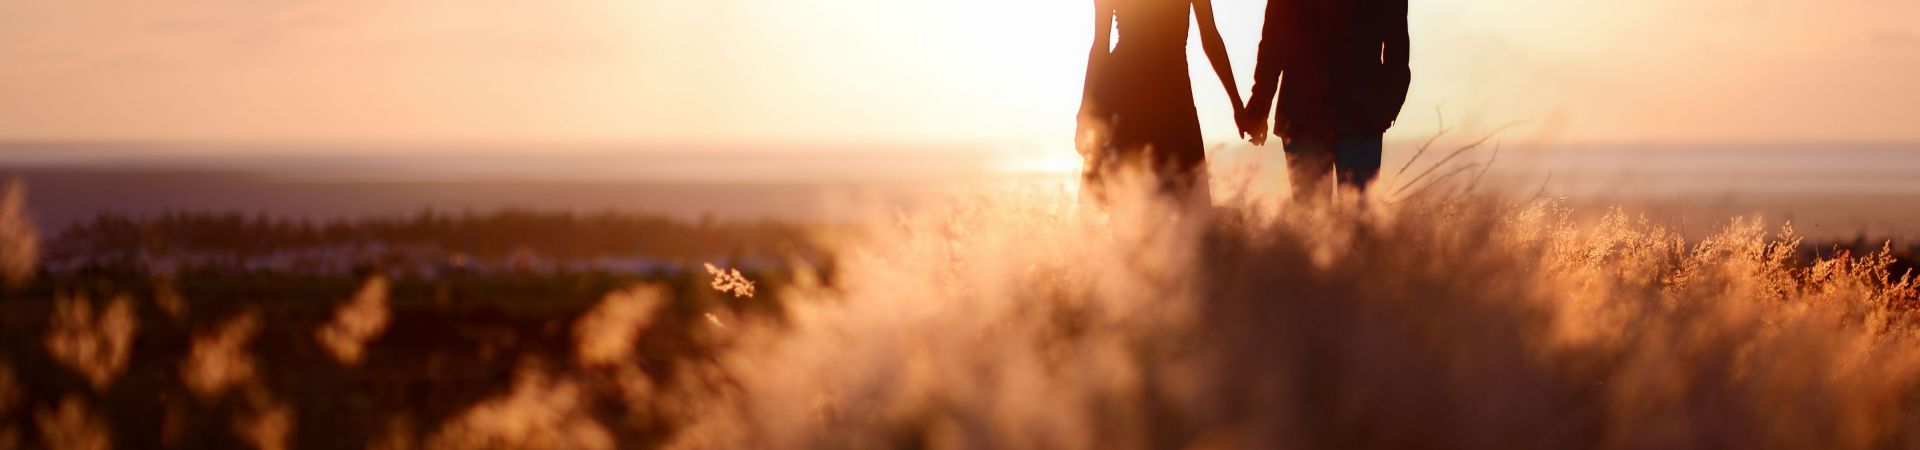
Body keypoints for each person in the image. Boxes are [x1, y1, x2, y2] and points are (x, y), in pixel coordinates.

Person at [1077, 0, 1250, 205]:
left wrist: (1237, 104)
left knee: (1185, 205)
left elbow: (1099, 46)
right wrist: (1237, 105)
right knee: (1173, 204)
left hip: (1149, 95)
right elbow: (1209, 36)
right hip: (1147, 96)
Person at [1239, 0, 1410, 204]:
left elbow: (1273, 42)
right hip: (1353, 115)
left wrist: (1260, 104)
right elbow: (1397, 45)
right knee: (1355, 220)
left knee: (1315, 219)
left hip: (1312, 115)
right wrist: (1388, 105)